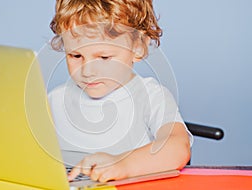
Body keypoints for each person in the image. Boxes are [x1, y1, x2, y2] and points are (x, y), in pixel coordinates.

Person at [48, 0, 193, 183]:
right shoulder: (55, 99)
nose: (87, 71)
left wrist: (123, 164)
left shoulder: (151, 97)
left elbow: (177, 147)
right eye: (76, 56)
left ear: (138, 47)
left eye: (104, 57)